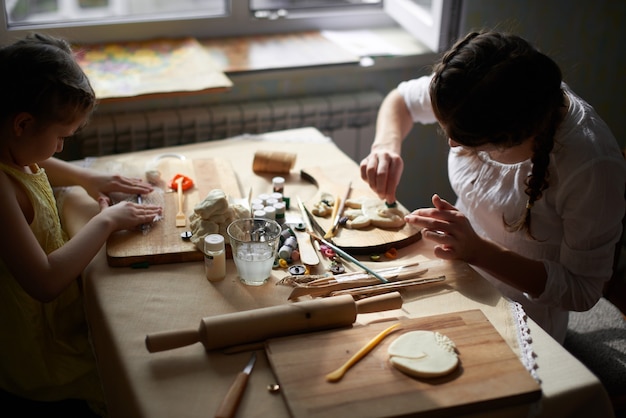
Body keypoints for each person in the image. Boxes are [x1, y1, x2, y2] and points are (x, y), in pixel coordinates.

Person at [360, 30, 626, 344]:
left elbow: (582, 290)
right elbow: (402, 100)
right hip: (455, 272)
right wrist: (385, 146)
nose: (452, 143)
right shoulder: (477, 85)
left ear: (513, 136)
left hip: (523, 320)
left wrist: (479, 251)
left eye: (472, 144)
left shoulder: (589, 165)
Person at [0, 34, 162, 415]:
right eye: (60, 137)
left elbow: (33, 163)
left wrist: (87, 178)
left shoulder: (11, 146)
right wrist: (105, 221)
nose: (60, 149)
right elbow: (43, 281)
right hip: (35, 350)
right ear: (22, 123)